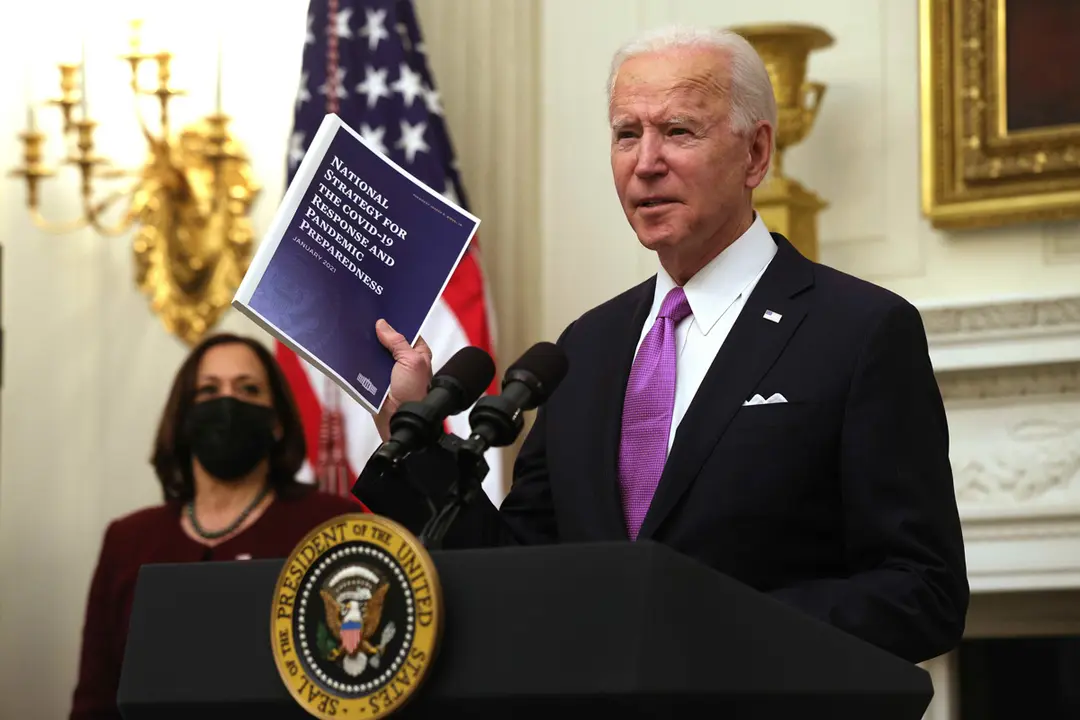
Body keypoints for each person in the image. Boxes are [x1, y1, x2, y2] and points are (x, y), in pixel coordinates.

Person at [356, 25, 969, 664]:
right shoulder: (584, 348)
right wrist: (413, 435)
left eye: (679, 131)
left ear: (756, 155)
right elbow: (519, 569)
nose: (645, 162)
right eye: (627, 134)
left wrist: (707, 628)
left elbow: (923, 593)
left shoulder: (861, 331)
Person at [69, 333, 360, 720]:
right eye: (208, 391)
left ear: (276, 422)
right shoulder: (127, 540)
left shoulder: (330, 525)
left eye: (248, 389)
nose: (228, 403)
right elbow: (95, 701)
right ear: (184, 417)